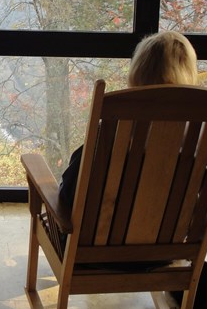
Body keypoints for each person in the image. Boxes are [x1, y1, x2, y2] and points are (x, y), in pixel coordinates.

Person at [59, 30, 197, 206]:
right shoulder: (198, 136)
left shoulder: (113, 131)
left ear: (137, 71)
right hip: (173, 232)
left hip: (103, 232)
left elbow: (68, 193)